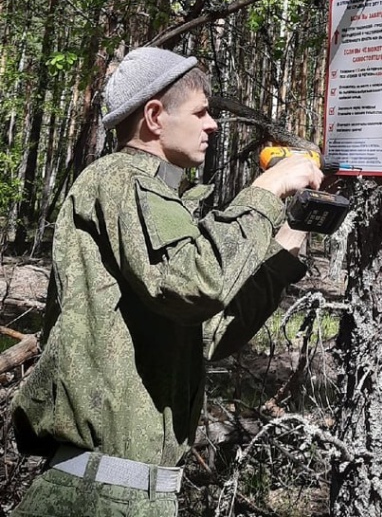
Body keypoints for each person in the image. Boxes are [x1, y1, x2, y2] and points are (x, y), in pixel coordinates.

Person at [10, 46, 323, 517]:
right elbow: (194, 282)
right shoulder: (120, 179)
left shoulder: (153, 197)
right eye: (200, 112)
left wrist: (288, 239)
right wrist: (266, 189)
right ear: (155, 116)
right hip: (94, 498)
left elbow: (210, 333)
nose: (213, 124)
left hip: (134, 496)